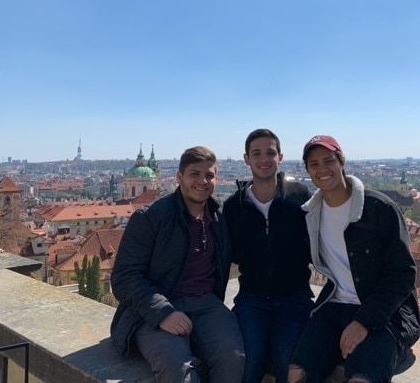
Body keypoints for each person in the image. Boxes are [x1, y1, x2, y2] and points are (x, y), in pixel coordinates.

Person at [288, 135, 420, 383]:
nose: (322, 169)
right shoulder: (310, 214)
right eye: (314, 164)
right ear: (307, 170)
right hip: (335, 305)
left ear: (342, 162)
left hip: (386, 312)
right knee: (297, 373)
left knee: (361, 378)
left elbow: (402, 274)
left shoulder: (379, 208)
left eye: (328, 161)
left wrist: (364, 321)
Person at [110, 146, 245, 383]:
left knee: (233, 358)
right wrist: (163, 313)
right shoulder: (150, 217)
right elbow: (124, 277)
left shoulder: (219, 216)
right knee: (178, 371)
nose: (203, 181)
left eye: (209, 175)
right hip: (156, 307)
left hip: (206, 304)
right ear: (179, 177)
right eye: (194, 174)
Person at [223, 129, 313, 383]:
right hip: (252, 299)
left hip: (294, 298)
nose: (264, 159)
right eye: (257, 153)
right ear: (246, 158)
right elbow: (230, 253)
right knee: (248, 362)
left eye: (270, 153)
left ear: (280, 157)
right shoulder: (234, 206)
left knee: (288, 361)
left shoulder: (300, 197)